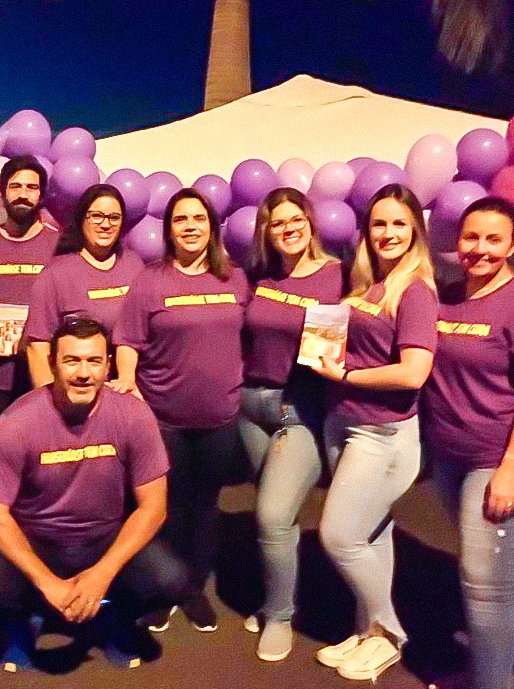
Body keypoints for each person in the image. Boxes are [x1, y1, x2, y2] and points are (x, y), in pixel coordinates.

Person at [0, 317, 189, 669]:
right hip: (38, 540)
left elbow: (153, 507)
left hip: (102, 538)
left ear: (108, 365)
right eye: (71, 361)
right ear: (52, 364)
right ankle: (26, 616)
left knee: (170, 579)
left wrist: (102, 574)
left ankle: (111, 617)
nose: (83, 373)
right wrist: (47, 583)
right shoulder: (19, 422)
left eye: (94, 361)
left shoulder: (134, 416)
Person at [421, 198, 514, 689]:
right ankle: (487, 671)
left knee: (485, 583)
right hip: (452, 455)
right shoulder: (447, 297)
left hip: (507, 457)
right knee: (489, 575)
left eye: (493, 239)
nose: (479, 249)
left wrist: (512, 467)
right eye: (471, 238)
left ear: (512, 245)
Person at [311, 184, 438, 681]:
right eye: (379, 224)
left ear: (416, 233)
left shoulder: (416, 291)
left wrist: (345, 376)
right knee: (373, 532)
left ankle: (391, 629)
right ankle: (372, 636)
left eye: (399, 224)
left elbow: (413, 373)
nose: (388, 233)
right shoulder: (366, 286)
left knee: (339, 536)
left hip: (382, 435)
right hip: (345, 423)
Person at [112, 187, 251, 633]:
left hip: (220, 418)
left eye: (198, 219)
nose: (190, 226)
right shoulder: (151, 281)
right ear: (169, 229)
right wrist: (128, 382)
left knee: (206, 507)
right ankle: (163, 591)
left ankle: (193, 588)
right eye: (180, 219)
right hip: (163, 419)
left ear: (212, 228)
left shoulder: (235, 279)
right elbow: (127, 341)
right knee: (164, 508)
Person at [237, 188, 344, 662]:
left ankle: (280, 613)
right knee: (276, 511)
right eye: (277, 223)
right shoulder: (260, 275)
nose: (288, 229)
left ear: (310, 221)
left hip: (296, 409)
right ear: (267, 230)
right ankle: (277, 591)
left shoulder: (337, 276)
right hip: (249, 405)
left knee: (272, 516)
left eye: (294, 219)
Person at [0, 156, 60, 541]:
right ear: (2, 192)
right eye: (16, 186)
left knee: (40, 455)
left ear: (41, 194)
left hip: (41, 374)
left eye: (31, 187)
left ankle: (35, 530)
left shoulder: (57, 245)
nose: (23, 194)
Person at [24, 184, 144, 387]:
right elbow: (37, 346)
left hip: (126, 390)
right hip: (76, 392)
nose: (105, 224)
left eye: (114, 217)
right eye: (96, 216)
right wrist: (51, 404)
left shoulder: (134, 265)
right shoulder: (56, 273)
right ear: (82, 219)